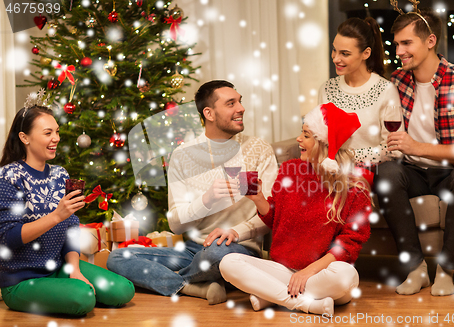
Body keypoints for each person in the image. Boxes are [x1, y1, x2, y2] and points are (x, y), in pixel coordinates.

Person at [107, 80, 278, 304]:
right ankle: (192, 287)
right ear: (209, 113)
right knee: (117, 257)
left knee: (217, 253)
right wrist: (206, 200)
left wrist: (235, 232)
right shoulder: (183, 155)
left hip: (237, 250)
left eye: (240, 101)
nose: (241, 108)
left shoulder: (258, 149)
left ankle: (179, 281)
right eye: (231, 103)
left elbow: (273, 212)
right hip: (193, 250)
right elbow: (175, 224)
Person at [374, 6, 454, 296]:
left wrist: (418, 146)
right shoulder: (397, 82)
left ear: (430, 41)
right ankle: (416, 269)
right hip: (412, 172)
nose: (400, 51)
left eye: (407, 43)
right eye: (397, 44)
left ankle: (446, 270)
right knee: (387, 174)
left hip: (453, 171)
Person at [217, 103, 371, 316]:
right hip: (282, 269)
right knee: (228, 262)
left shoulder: (355, 188)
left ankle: (272, 295)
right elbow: (273, 219)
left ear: (325, 144)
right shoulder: (290, 169)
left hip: (322, 273)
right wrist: (258, 198)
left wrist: (308, 272)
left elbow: (349, 244)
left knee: (347, 276)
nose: (298, 139)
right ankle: (306, 304)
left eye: (306, 135)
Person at [0, 91, 135, 316]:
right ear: (25, 138)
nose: (56, 138)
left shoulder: (60, 174)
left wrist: (74, 268)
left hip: (58, 267)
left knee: (122, 290)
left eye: (57, 132)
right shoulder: (8, 177)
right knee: (83, 298)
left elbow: (71, 225)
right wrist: (56, 216)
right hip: (21, 279)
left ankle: (70, 283)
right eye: (48, 133)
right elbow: (6, 239)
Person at [318, 17, 403, 181]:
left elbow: (394, 149)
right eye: (334, 50)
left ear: (366, 53)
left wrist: (348, 158)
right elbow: (320, 141)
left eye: (345, 54)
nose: (335, 58)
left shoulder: (385, 90)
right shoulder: (326, 89)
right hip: (331, 174)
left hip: (369, 174)